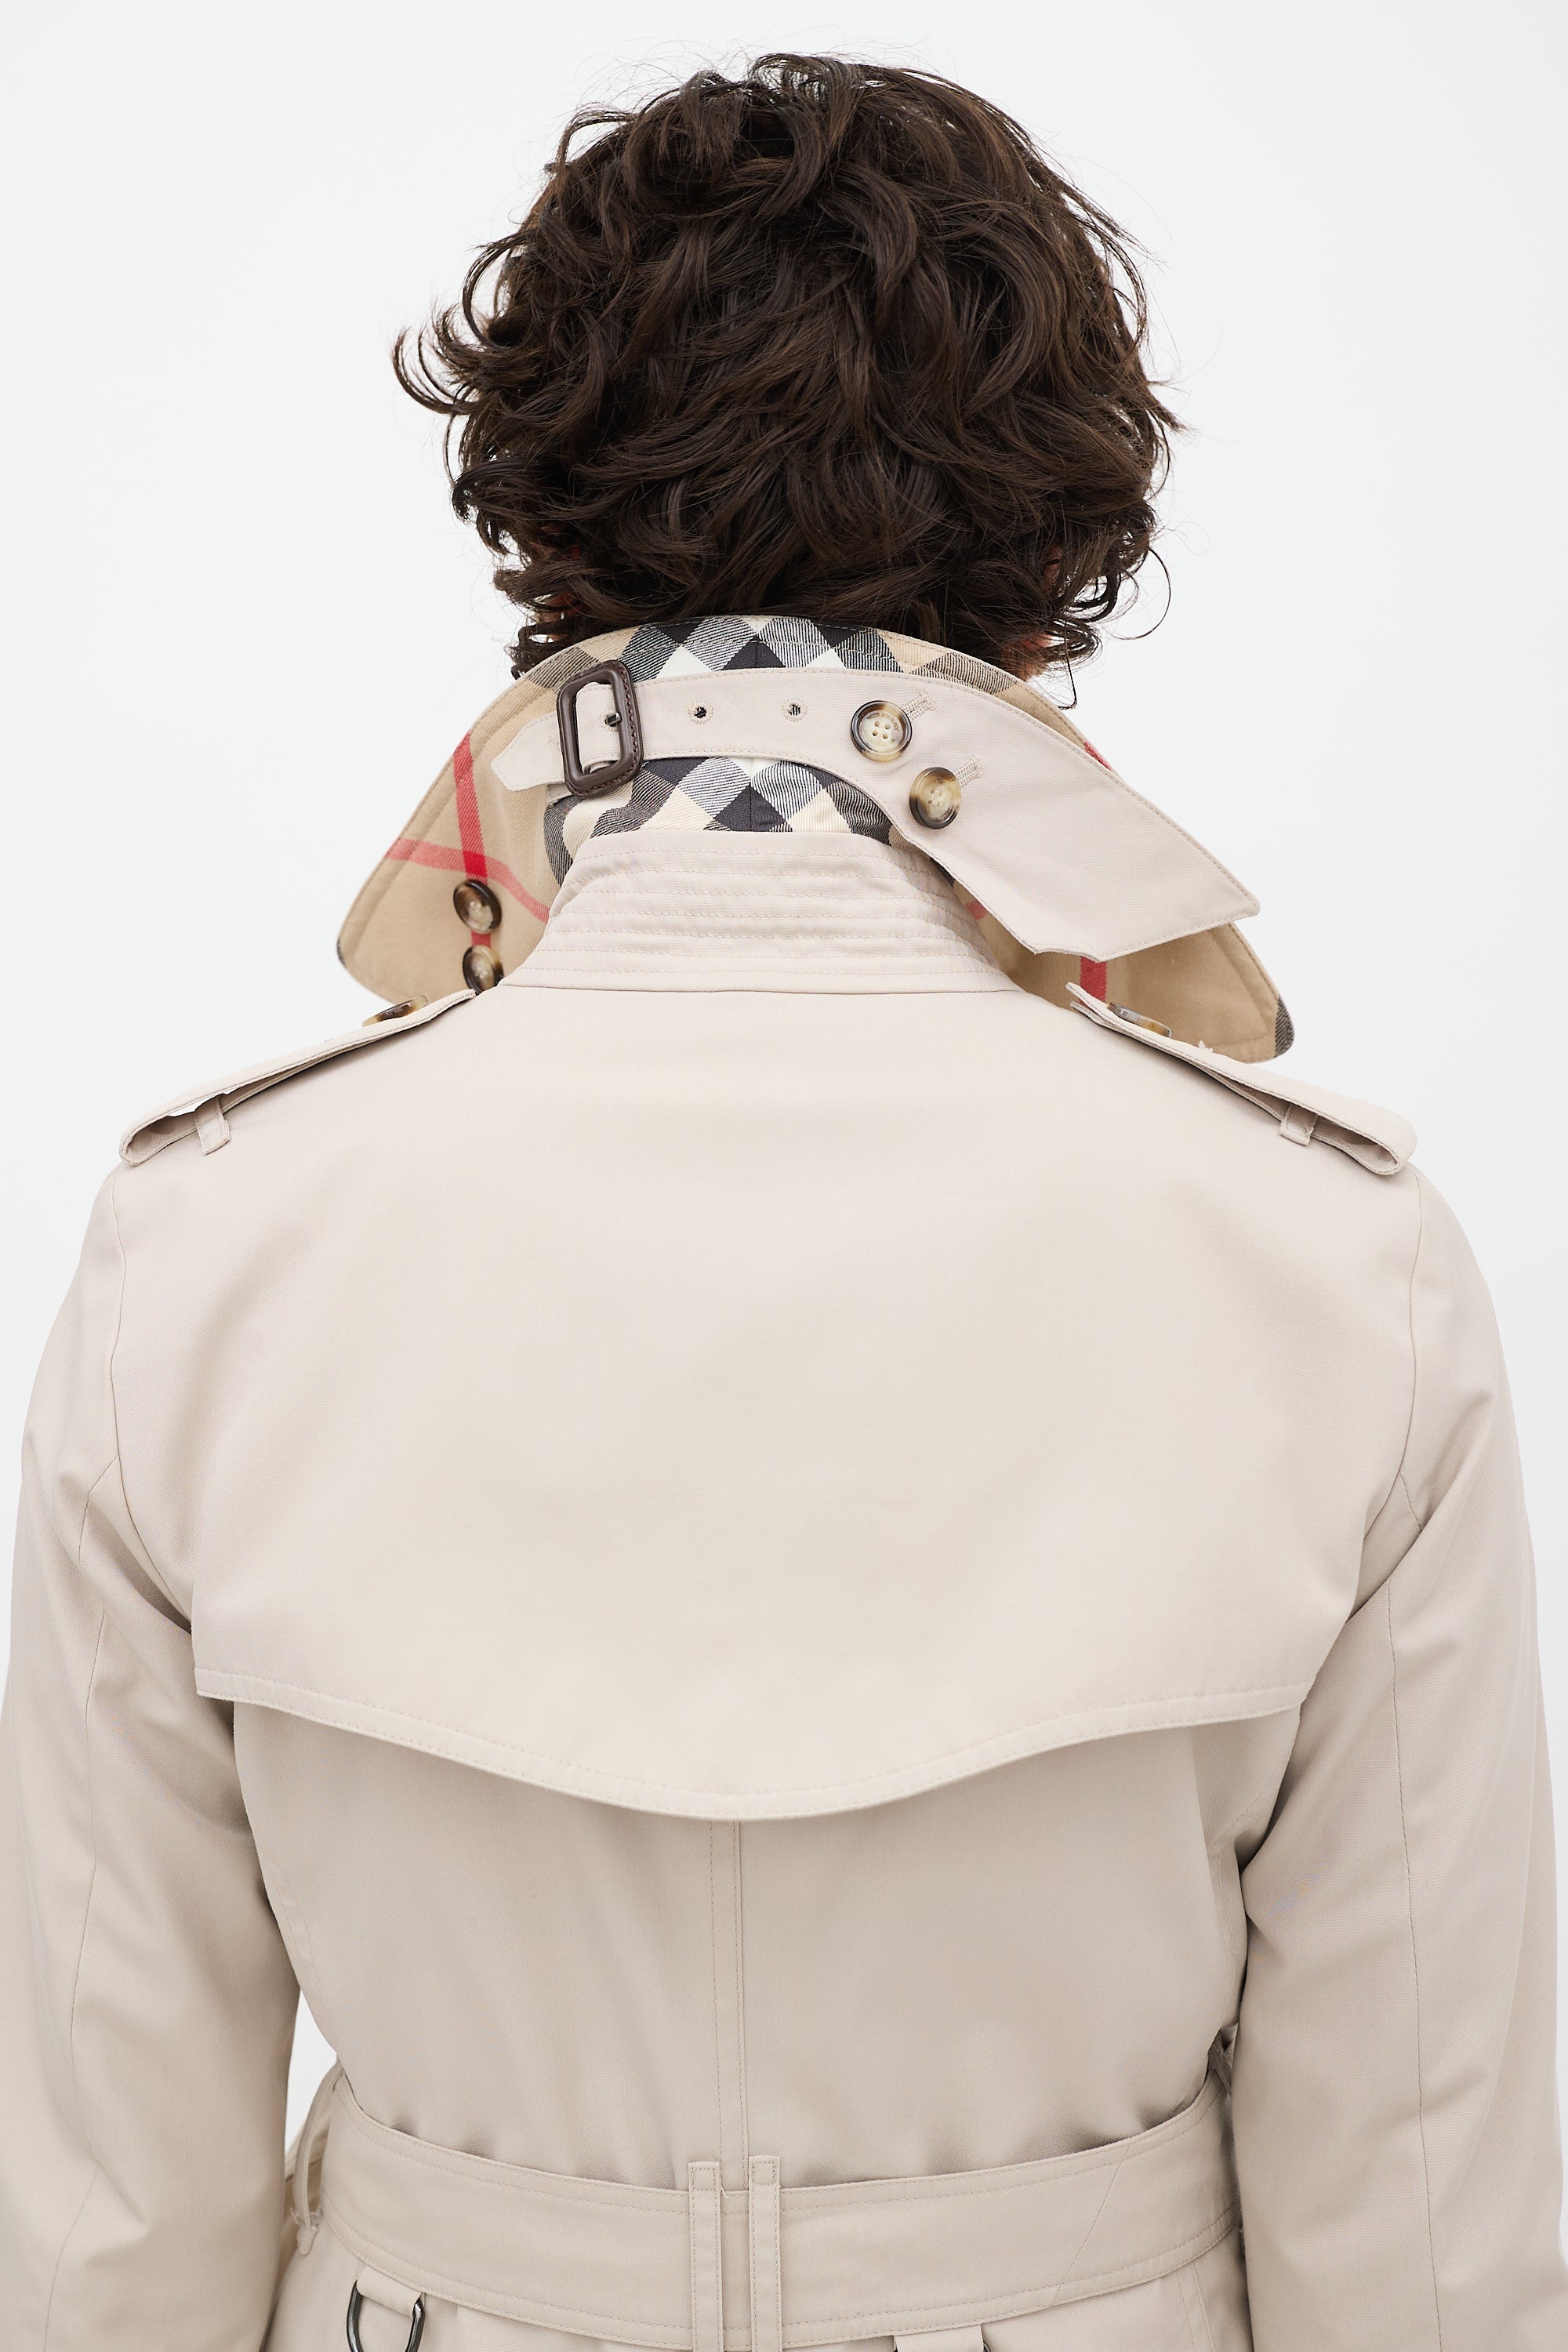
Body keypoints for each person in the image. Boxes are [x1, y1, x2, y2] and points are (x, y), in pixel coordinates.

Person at [1, 52, 1562, 2352]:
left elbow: (107, 2230)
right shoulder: (1339, 1269)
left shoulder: (208, 1251)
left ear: (548, 554)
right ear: (1051, 590)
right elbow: (1424, 2232)